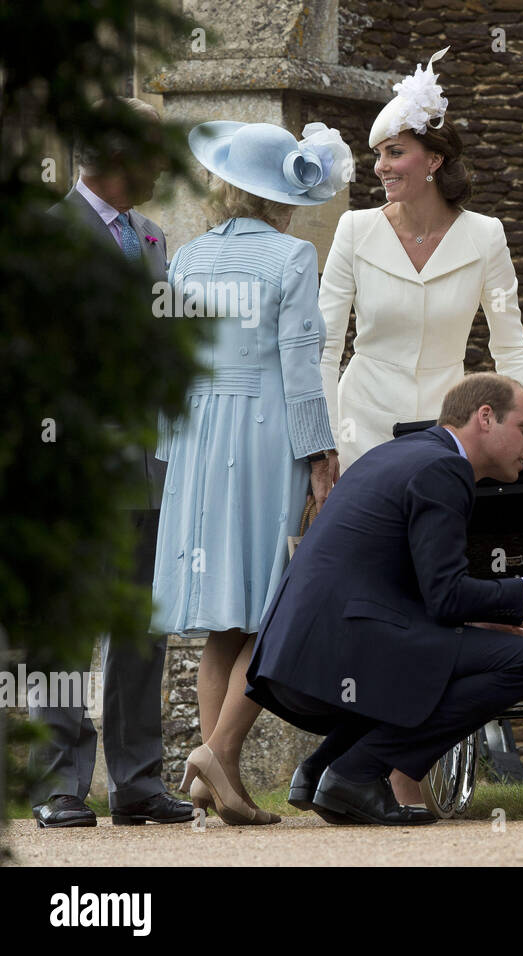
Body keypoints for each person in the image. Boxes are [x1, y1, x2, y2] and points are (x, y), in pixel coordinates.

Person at [241, 373, 523, 825]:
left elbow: (417, 588)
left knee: (472, 649)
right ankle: (357, 772)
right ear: (485, 418)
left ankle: (324, 767)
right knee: (521, 660)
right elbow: (446, 596)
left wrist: (474, 622)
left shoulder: (401, 453)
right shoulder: (445, 469)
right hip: (337, 654)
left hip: (299, 655)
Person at [156, 119, 350, 825]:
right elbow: (300, 368)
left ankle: (215, 775)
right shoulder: (294, 256)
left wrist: (170, 450)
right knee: (274, 612)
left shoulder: (187, 257)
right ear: (278, 194)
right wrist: (320, 453)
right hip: (267, 433)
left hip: (198, 435)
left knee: (223, 620)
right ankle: (217, 759)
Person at [27, 97, 194, 829]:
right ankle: (59, 783)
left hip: (151, 464)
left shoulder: (153, 240)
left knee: (140, 628)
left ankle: (137, 779)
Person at [319, 47, 523, 474]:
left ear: (434, 160)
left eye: (395, 152)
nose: (381, 167)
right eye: (378, 154)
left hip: (446, 430)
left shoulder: (485, 234)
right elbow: (325, 349)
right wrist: (324, 442)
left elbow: (510, 348)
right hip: (358, 426)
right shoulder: (354, 228)